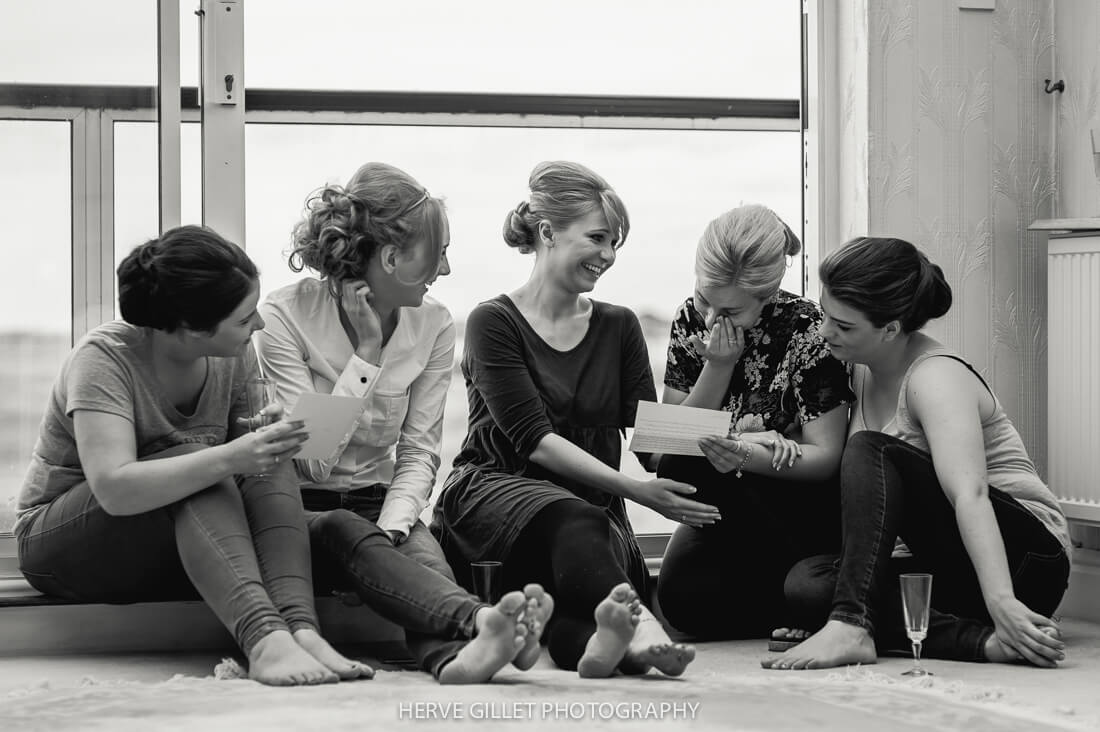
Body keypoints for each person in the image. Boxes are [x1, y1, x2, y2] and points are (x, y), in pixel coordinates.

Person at [15, 225, 363, 686]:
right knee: (197, 463)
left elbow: (249, 457)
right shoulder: (103, 358)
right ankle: (263, 640)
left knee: (268, 456)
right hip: (65, 545)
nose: (258, 325)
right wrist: (228, 457)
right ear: (190, 330)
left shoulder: (233, 353)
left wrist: (264, 437)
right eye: (244, 319)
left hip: (167, 539)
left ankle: (300, 630)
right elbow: (115, 489)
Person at [254, 162, 552, 684]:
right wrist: (366, 355)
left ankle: (461, 659)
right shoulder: (282, 317)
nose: (447, 270)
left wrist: (394, 527)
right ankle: (485, 630)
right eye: (439, 253)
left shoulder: (433, 322)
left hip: (379, 500)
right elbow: (314, 461)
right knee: (351, 533)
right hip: (302, 509)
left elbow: (418, 453)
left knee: (427, 564)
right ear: (392, 257)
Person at [432, 160, 697, 678]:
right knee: (579, 519)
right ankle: (645, 631)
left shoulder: (619, 326)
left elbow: (654, 440)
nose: (609, 255)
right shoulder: (494, 321)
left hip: (588, 525)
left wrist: (727, 415)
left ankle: (616, 647)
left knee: (577, 606)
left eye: (615, 242)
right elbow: (535, 441)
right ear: (548, 232)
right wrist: (637, 492)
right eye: (598, 237)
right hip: (496, 501)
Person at [762, 236, 1071, 671]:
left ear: (890, 329)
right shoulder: (858, 368)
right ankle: (981, 643)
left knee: (871, 450)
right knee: (807, 585)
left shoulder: (935, 377)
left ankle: (852, 624)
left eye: (844, 326)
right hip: (948, 564)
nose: (824, 332)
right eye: (826, 315)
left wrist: (1002, 598)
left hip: (1024, 560)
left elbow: (970, 494)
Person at [653, 205, 852, 641]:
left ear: (769, 294)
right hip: (723, 501)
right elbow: (662, 451)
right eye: (706, 299)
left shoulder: (807, 329)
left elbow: (826, 457)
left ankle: (796, 597)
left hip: (788, 499)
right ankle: (784, 603)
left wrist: (747, 452)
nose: (711, 319)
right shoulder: (690, 318)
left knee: (694, 461)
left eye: (731, 311)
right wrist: (719, 366)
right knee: (681, 604)